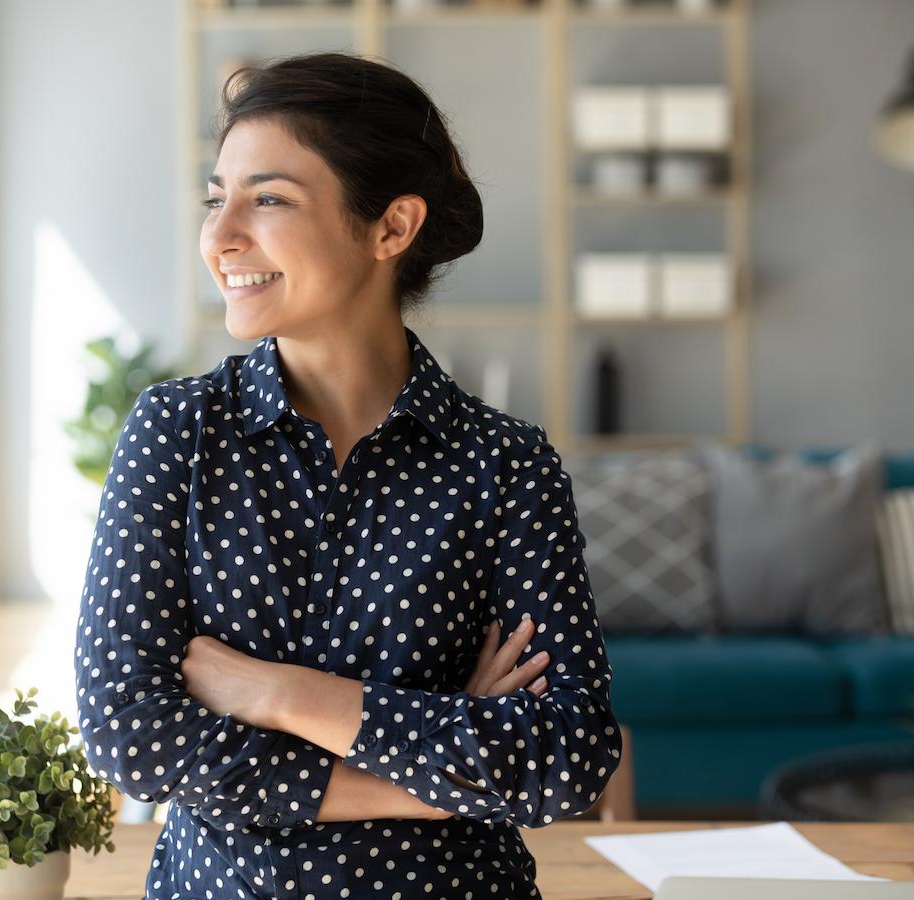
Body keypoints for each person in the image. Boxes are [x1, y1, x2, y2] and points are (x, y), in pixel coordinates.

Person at [74, 51, 622, 900]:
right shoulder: (177, 435)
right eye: (218, 198)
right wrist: (440, 785)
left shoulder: (505, 466)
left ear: (391, 229)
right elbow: (130, 734)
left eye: (270, 199)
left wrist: (274, 692)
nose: (220, 239)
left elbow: (567, 755)